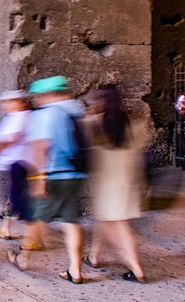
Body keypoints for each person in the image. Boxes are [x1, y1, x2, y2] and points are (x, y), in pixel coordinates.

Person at [8, 76, 86, 284]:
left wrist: (38, 178)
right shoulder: (76, 109)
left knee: (37, 219)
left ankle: (23, 258)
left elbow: (40, 147)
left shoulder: (45, 115)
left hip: (53, 173)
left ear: (44, 95)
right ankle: (75, 269)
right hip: (74, 174)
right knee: (71, 221)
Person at [81, 85, 147, 283]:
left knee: (118, 226)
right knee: (105, 220)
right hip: (127, 182)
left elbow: (84, 141)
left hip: (107, 183)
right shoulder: (133, 123)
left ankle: (136, 268)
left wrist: (90, 113)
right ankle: (94, 256)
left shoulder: (95, 122)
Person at [0, 90, 33, 242]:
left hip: (17, 162)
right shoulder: (24, 116)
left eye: (10, 102)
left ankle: (32, 235)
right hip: (21, 161)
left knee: (19, 200)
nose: (6, 105)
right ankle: (6, 228)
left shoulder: (19, 118)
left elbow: (8, 140)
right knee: (13, 197)